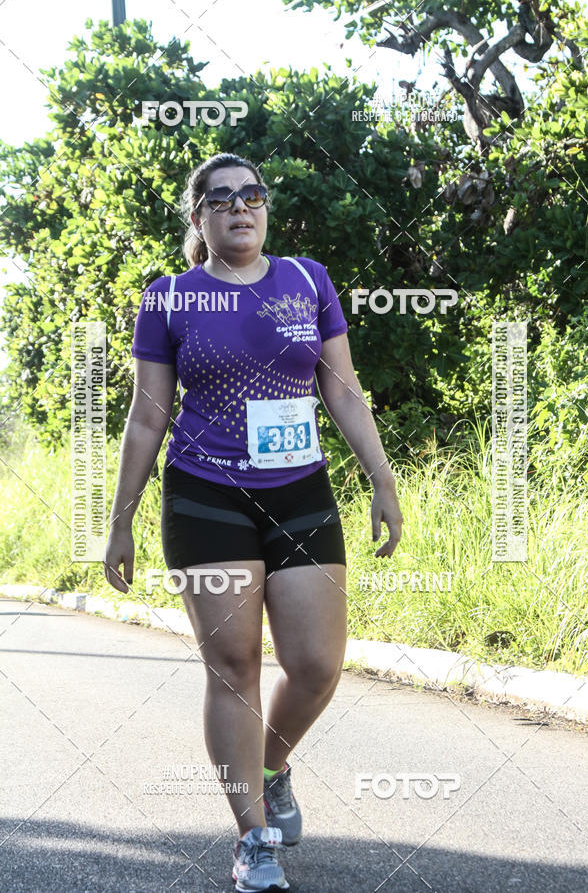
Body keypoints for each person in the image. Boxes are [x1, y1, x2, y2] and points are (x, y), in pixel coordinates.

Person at [103, 152, 403, 892]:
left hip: (299, 490)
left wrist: (382, 478)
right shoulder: (170, 299)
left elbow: (343, 390)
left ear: (266, 209)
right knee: (234, 668)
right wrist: (121, 520)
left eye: (254, 195)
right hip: (206, 495)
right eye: (223, 197)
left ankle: (270, 767)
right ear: (199, 217)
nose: (242, 206)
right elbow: (147, 415)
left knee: (316, 664)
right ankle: (253, 838)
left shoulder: (307, 280)